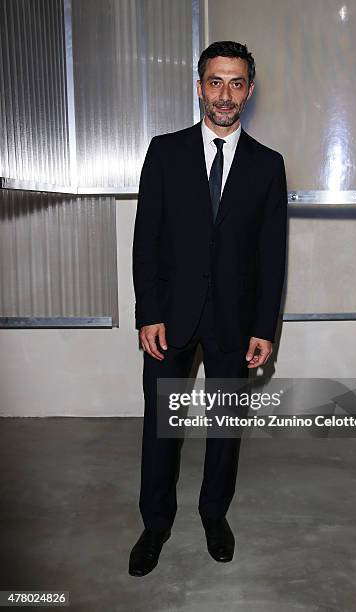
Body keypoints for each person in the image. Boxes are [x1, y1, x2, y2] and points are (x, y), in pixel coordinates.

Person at [129, 40, 288, 576]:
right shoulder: (165, 151)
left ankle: (214, 516)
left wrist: (264, 327)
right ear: (199, 87)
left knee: (224, 425)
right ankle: (155, 524)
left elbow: (272, 255)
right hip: (170, 317)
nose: (225, 94)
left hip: (233, 322)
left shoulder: (268, 165)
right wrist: (148, 310)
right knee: (161, 424)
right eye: (215, 81)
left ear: (249, 91)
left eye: (236, 82)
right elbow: (145, 239)